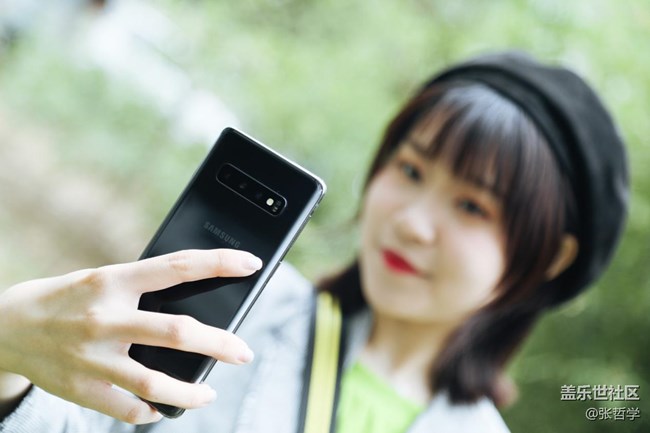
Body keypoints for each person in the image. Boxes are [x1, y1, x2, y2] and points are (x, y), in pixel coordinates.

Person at [0, 51, 629, 432]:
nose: (412, 222)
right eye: (410, 169)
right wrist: (8, 354)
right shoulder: (236, 310)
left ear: (549, 258)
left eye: (472, 206)